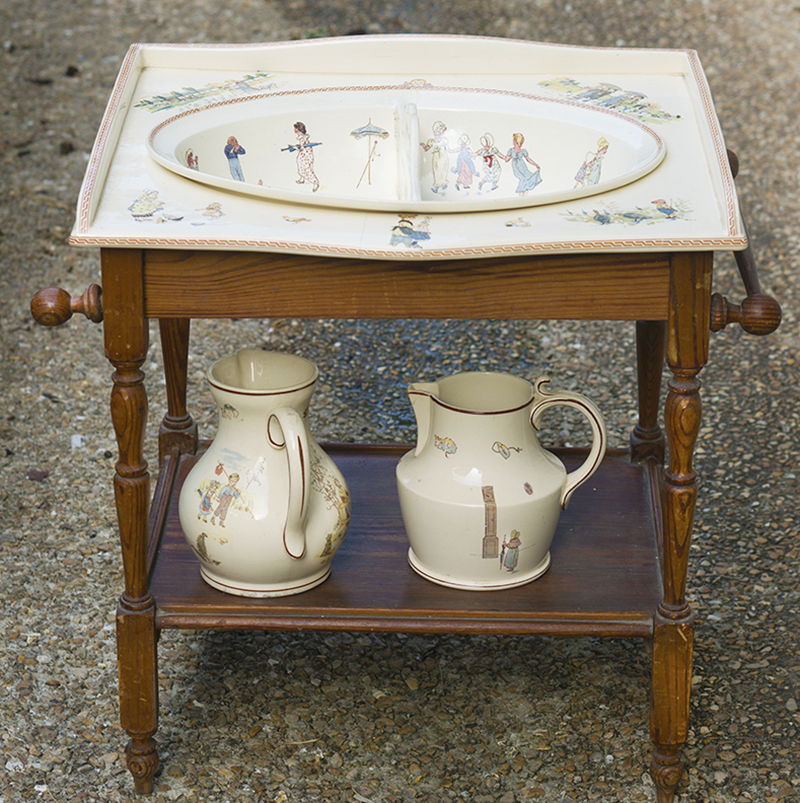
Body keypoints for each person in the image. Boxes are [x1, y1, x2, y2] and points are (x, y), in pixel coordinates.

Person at [293, 121, 319, 192]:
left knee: (306, 169)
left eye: (297, 130)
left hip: (305, 156)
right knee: (302, 167)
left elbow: (301, 148)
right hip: (306, 155)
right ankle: (302, 179)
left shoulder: (302, 139)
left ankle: (315, 182)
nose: (295, 131)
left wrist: (295, 148)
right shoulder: (304, 137)